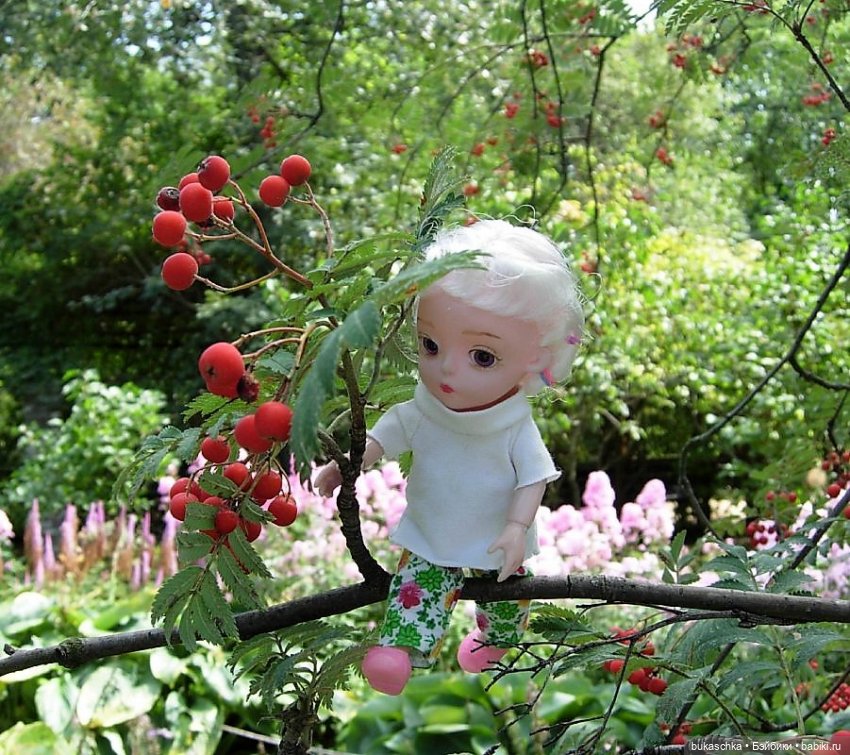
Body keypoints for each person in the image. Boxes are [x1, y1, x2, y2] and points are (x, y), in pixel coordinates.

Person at [315, 217, 585, 695]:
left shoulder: (514, 424)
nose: (446, 369)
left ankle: (493, 639)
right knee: (416, 586)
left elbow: (533, 477)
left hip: (498, 538)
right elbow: (382, 439)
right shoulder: (421, 409)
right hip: (433, 530)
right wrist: (346, 466)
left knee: (507, 596)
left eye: (483, 356)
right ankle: (400, 650)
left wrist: (516, 529)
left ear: (537, 361)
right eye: (430, 344)